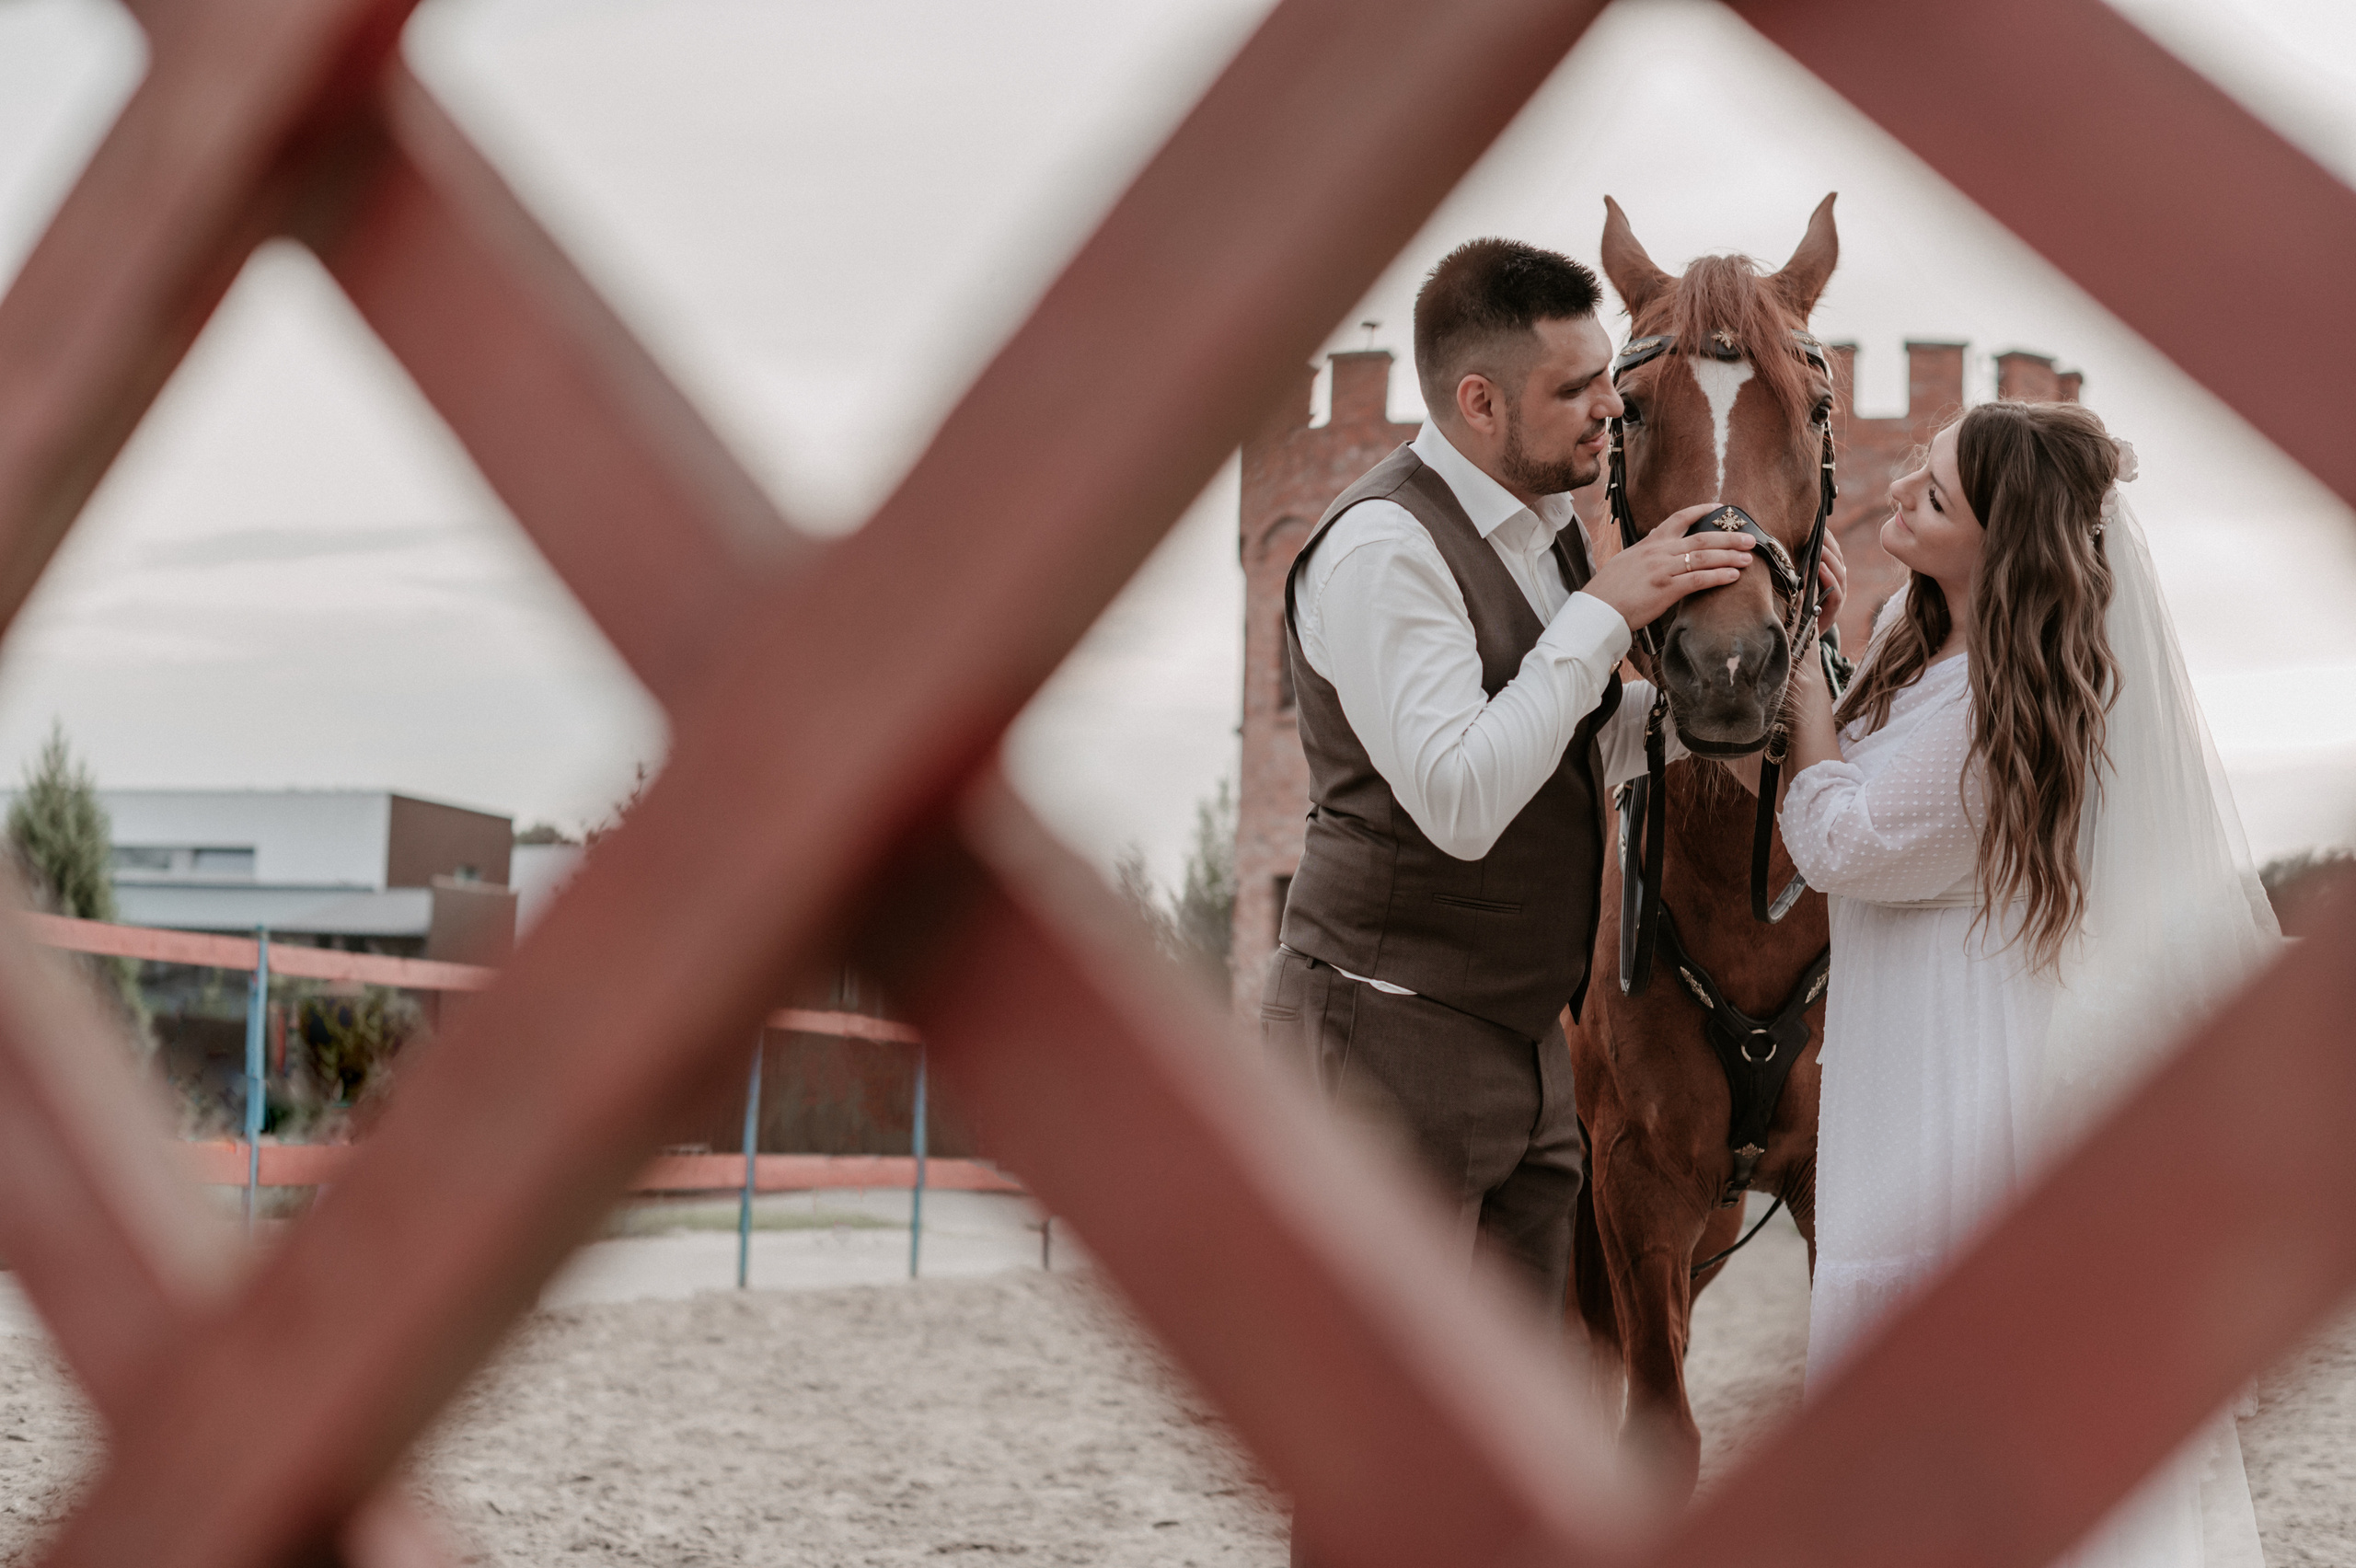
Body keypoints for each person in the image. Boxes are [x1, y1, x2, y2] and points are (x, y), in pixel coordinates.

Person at [1775, 399, 2276, 1566]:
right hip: (1903, 1064)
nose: (1900, 491)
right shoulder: (1920, 633)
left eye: (1935, 495)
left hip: (1961, 1084)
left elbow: (1843, 842)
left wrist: (1808, 704)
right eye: (1915, 467)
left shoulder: (2005, 703)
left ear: (2003, 545)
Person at [1259, 236, 1793, 1316]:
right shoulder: (1384, 549)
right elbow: (1459, 798)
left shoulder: (1544, 529)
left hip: (1530, 1048)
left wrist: (1723, 694)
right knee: (1388, 1419)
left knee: (1514, 1425)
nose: (1609, 406)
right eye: (1574, 387)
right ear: (1479, 403)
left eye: (1607, 374)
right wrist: (1602, 616)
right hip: (1387, 1047)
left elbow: (1566, 733)